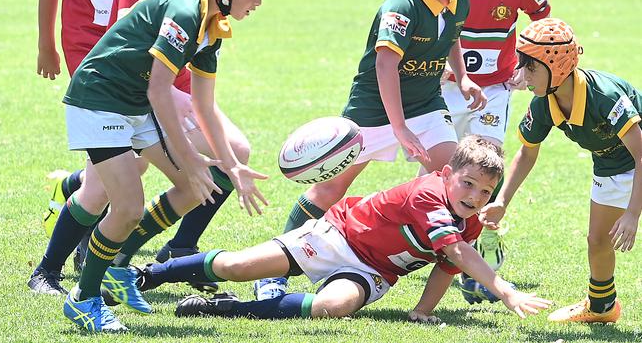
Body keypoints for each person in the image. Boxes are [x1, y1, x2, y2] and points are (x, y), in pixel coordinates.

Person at [253, 0, 486, 300]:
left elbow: (452, 36)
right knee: (329, 192)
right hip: (375, 108)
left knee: (458, 178)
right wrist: (398, 128)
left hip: (425, 103)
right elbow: (385, 64)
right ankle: (274, 271)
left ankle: (468, 268)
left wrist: (461, 76)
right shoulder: (403, 1)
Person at [58, 0, 275, 332]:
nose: (258, 3)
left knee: (198, 188)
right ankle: (84, 298)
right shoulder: (186, 9)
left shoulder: (215, 24)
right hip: (100, 98)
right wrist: (190, 158)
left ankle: (118, 265)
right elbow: (160, 89)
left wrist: (231, 165)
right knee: (127, 208)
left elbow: (204, 106)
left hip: (133, 104)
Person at [30, 0, 252, 298]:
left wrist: (189, 103)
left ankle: (165, 251)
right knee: (104, 191)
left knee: (230, 154)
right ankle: (48, 270)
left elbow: (199, 55)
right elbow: (130, 48)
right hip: (132, 90)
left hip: (166, 90)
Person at [134, 136, 552, 322]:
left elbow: (447, 266)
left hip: (373, 272)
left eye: (485, 191)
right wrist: (506, 290)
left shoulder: (471, 219)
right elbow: (458, 253)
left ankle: (225, 309)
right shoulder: (427, 194)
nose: (476, 196)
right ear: (446, 174)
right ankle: (145, 276)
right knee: (237, 267)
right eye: (468, 183)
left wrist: (422, 311)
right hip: (338, 235)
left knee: (330, 308)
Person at [480, 17, 642, 323]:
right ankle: (602, 307)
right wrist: (502, 200)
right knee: (598, 240)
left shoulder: (604, 96)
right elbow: (527, 154)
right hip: (611, 165)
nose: (522, 75)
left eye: (530, 67)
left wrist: (633, 213)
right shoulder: (544, 102)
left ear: (559, 65)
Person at [30, 0, 152, 295]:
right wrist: (46, 45)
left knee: (131, 163)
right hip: (89, 56)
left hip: (136, 58)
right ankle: (49, 270)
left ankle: (75, 194)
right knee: (110, 173)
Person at [439, 0, 551, 303]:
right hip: (448, 88)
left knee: (487, 165)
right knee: (444, 166)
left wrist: (527, 65)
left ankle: (482, 241)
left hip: (496, 89)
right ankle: (444, 241)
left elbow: (542, 21)